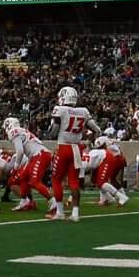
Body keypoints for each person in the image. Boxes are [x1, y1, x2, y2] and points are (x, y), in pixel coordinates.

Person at [44, 85, 97, 223]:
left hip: (63, 148)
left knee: (56, 179)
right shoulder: (83, 111)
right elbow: (96, 130)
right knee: (73, 181)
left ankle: (60, 212)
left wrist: (51, 130)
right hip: (77, 149)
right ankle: (75, 213)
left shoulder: (60, 109)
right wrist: (86, 142)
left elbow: (54, 131)